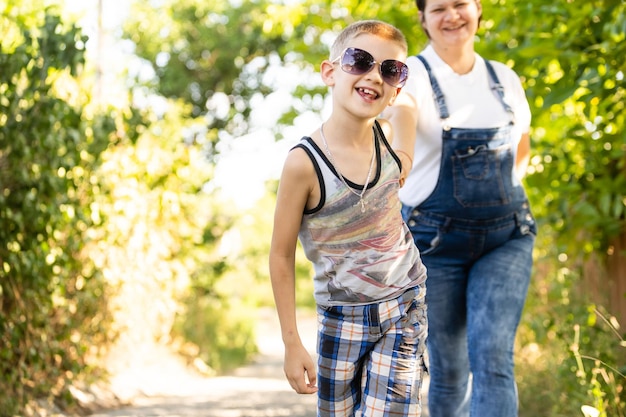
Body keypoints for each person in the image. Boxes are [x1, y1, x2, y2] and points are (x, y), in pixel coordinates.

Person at [383, 1, 537, 416]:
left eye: (460, 4)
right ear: (423, 18)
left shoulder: (503, 78)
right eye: (438, 8)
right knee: (450, 371)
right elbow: (402, 120)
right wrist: (402, 158)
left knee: (493, 359)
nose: (451, 15)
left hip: (506, 239)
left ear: (478, 9)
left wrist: (504, 193)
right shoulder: (408, 77)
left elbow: (521, 145)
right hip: (434, 243)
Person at [269, 20, 428, 417]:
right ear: (330, 72)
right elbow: (280, 255)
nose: (374, 75)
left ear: (395, 88)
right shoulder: (303, 164)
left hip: (403, 306)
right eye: (360, 61)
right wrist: (292, 343)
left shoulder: (391, 145)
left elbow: (407, 114)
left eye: (391, 70)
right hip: (341, 317)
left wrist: (403, 105)